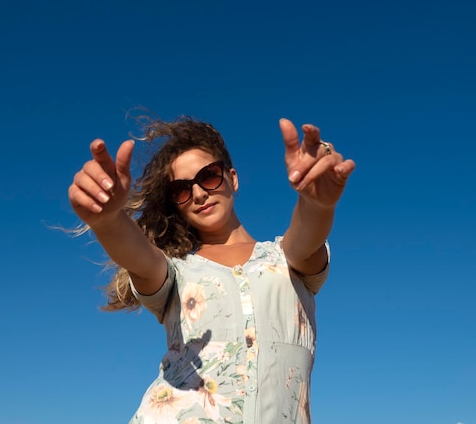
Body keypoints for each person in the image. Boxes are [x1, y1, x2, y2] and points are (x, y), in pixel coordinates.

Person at [67, 113, 355, 423]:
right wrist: (108, 220)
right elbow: (138, 256)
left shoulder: (284, 258)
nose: (200, 193)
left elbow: (306, 239)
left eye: (208, 176)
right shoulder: (176, 270)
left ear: (232, 178)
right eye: (182, 189)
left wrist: (317, 204)